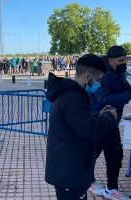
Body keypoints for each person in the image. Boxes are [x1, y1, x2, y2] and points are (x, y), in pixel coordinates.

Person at [45, 54, 117, 200]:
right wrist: (109, 117)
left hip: (70, 168)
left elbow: (80, 124)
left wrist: (99, 116)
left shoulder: (72, 95)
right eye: (97, 80)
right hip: (69, 172)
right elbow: (92, 131)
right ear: (88, 76)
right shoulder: (73, 98)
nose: (98, 84)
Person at [88, 46, 131, 200]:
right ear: (110, 61)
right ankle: (88, 181)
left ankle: (111, 188)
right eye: (121, 60)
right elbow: (103, 99)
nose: (124, 63)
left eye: (126, 59)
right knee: (91, 155)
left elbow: (126, 88)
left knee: (115, 157)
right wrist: (128, 94)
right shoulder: (102, 75)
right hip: (99, 122)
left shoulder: (119, 73)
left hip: (112, 123)